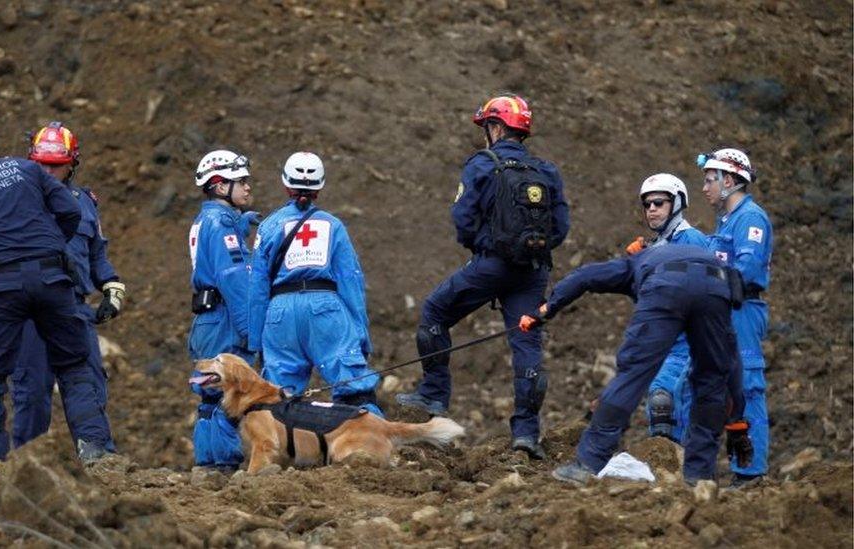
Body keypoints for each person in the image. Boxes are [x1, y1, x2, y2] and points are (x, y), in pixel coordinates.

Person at [395, 94, 570, 459]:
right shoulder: (547, 171)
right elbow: (561, 227)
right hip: (533, 274)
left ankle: (434, 394)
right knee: (527, 350)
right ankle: (526, 434)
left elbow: (463, 219)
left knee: (435, 312)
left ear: (495, 127)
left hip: (490, 266)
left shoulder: (482, 164)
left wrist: (487, 247)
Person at [0, 115, 112, 461]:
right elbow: (69, 212)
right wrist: (49, 251)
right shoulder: (24, 170)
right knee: (74, 365)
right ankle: (95, 456)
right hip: (52, 280)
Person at [517, 245, 751, 485]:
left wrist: (546, 310)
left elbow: (584, 277)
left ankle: (586, 464)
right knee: (712, 376)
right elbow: (731, 362)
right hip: (717, 287)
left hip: (665, 284)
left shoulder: (632, 264)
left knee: (633, 373)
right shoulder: (708, 261)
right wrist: (738, 424)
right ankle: (699, 477)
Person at [11, 122, 125, 450]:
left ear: (71, 164)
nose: (47, 172)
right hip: (28, 306)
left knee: (86, 385)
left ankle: (100, 462)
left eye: (55, 166)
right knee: (31, 389)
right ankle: (27, 465)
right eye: (41, 165)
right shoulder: (14, 200)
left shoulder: (85, 202)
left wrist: (112, 286)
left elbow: (96, 253)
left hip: (73, 306)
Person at [247, 152, 382, 416]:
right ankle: (365, 447)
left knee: (278, 396)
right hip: (325, 308)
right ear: (320, 186)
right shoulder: (334, 226)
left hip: (280, 313)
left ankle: (280, 451)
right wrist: (361, 334)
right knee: (354, 387)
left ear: (286, 185)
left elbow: (257, 287)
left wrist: (257, 342)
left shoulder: (267, 227)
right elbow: (350, 281)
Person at [699, 148, 772, 486]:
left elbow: (746, 271)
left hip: (742, 310)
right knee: (717, 385)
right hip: (723, 309)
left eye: (709, 180)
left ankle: (750, 471)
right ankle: (713, 465)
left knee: (748, 386)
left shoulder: (751, 218)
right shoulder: (727, 219)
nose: (704, 188)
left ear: (728, 181)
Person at [186, 149, 259, 468]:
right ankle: (222, 466)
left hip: (208, 320)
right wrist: (250, 331)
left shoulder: (209, 220)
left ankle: (209, 465)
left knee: (209, 397)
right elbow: (234, 280)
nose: (247, 188)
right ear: (219, 187)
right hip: (224, 320)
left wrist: (240, 227)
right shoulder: (220, 224)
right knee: (228, 392)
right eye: (240, 181)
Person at [625, 174, 709, 442]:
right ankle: (668, 474)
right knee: (660, 409)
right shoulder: (656, 247)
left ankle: (680, 473)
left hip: (688, 343)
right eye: (647, 204)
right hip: (664, 343)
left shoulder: (692, 240)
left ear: (677, 204)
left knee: (667, 401)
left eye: (659, 203)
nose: (651, 209)